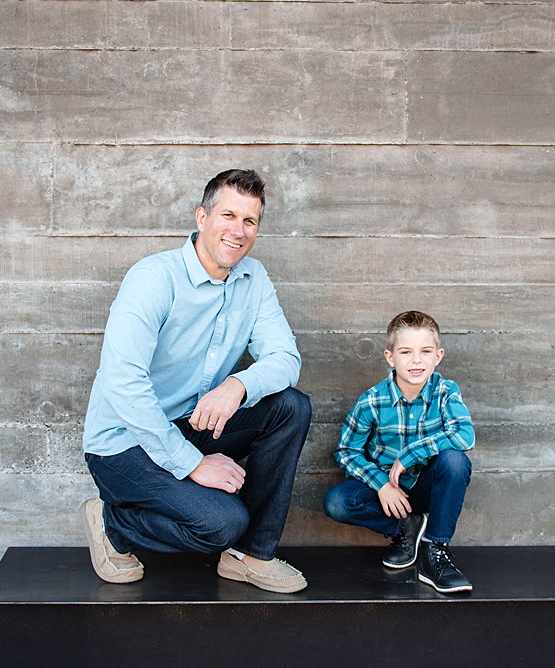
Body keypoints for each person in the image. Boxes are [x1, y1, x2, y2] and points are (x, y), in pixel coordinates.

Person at [79, 169, 311, 594]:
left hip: (193, 423)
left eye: (250, 221)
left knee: (290, 406)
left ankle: (250, 555)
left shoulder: (253, 278)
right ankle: (113, 523)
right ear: (201, 217)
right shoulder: (153, 278)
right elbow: (123, 382)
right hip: (124, 443)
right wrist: (192, 463)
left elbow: (285, 358)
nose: (238, 231)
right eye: (228, 215)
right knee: (222, 523)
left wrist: (238, 385)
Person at [324, 310, 475, 593]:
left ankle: (435, 550)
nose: (416, 360)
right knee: (337, 502)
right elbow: (346, 451)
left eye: (425, 351)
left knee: (455, 461)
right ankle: (405, 528)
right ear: (390, 358)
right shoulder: (372, 401)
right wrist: (382, 486)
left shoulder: (445, 392)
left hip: (426, 486)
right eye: (406, 352)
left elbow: (465, 435)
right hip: (387, 491)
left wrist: (410, 455)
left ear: (438, 356)